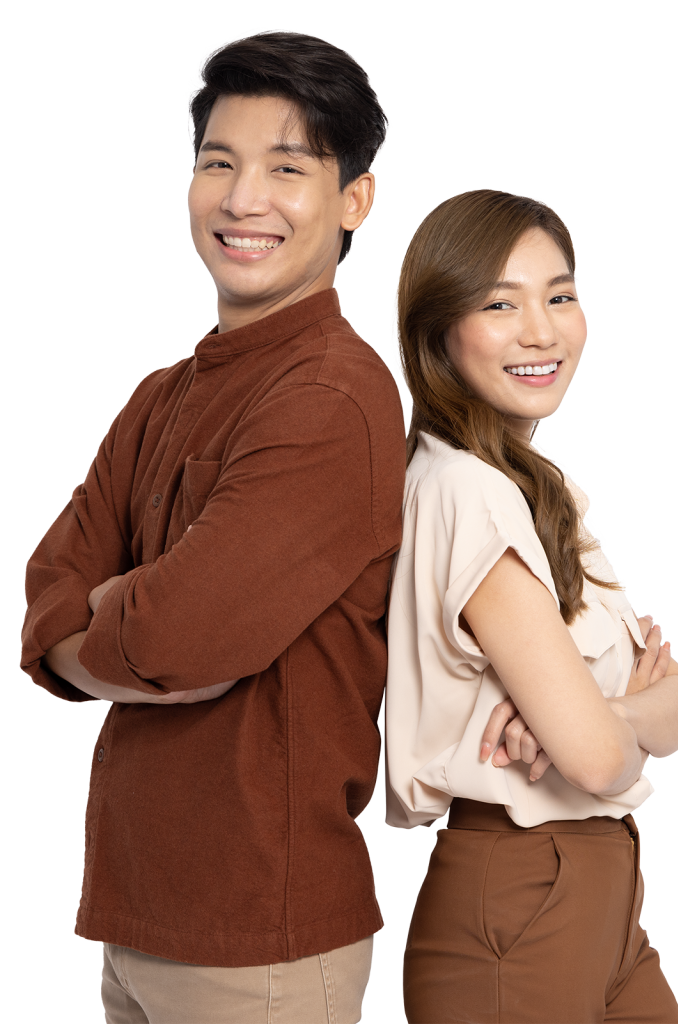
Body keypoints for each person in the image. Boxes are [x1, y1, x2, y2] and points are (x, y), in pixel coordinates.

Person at [20, 31, 406, 1024]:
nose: (242, 199)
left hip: (260, 942)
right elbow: (47, 587)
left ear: (351, 201)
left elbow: (186, 637)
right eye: (218, 164)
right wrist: (119, 621)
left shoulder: (329, 399)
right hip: (138, 914)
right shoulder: (162, 393)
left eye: (288, 167)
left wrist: (107, 623)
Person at [384, 188, 678, 1023]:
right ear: (438, 332)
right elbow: (600, 762)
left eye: (559, 295)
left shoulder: (540, 486)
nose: (542, 330)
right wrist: (615, 722)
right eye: (499, 304)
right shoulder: (464, 492)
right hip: (520, 898)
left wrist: (603, 714)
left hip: (602, 895)